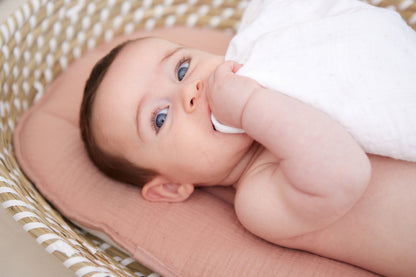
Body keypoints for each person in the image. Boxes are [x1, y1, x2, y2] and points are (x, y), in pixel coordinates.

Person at [79, 3, 416, 277]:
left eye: (182, 69)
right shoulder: (257, 198)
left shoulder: (283, 75)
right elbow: (345, 172)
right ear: (170, 186)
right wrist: (248, 105)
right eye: (160, 118)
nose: (189, 91)